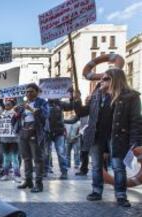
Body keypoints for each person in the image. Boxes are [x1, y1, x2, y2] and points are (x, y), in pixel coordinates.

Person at [74, 68, 142, 207]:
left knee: (118, 167)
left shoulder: (131, 96)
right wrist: (76, 100)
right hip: (96, 135)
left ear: (115, 79)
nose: (101, 81)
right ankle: (96, 191)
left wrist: (135, 141)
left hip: (118, 136)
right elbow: (81, 112)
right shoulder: (97, 95)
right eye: (101, 79)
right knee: (96, 166)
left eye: (105, 79)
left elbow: (136, 120)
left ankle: (121, 195)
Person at [14, 83, 49, 193]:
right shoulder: (24, 104)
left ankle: (39, 184)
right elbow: (17, 119)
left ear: (37, 92)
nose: (28, 93)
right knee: (26, 158)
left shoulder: (42, 102)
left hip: (35, 132)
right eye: (27, 91)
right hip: (24, 133)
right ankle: (28, 180)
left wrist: (32, 109)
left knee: (38, 159)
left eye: (31, 91)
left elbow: (45, 116)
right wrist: (16, 113)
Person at [44, 99, 71, 179]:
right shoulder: (44, 104)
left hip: (58, 132)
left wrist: (73, 97)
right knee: (46, 153)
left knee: (61, 153)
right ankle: (45, 170)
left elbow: (71, 106)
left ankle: (64, 172)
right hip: (47, 132)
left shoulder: (60, 103)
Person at [0, 99, 21, 182]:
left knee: (15, 158)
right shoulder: (2, 113)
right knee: (6, 157)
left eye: (9, 104)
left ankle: (17, 175)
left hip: (14, 139)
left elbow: (19, 120)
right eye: (6, 104)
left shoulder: (15, 113)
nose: (6, 105)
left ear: (12, 105)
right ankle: (5, 174)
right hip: (4, 139)